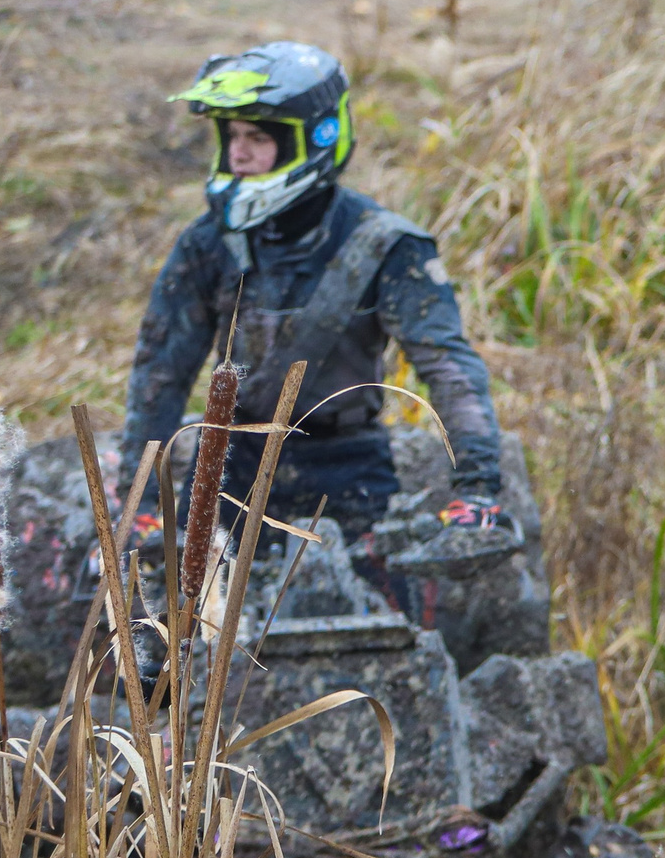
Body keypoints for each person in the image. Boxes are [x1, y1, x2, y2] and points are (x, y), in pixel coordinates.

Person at [120, 41, 511, 565]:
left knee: (379, 622)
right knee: (188, 630)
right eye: (233, 136)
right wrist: (141, 501)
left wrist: (478, 491)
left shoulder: (389, 246)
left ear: (317, 138)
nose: (238, 153)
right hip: (228, 463)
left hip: (348, 466)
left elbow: (450, 369)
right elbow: (160, 373)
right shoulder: (208, 242)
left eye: (257, 138)